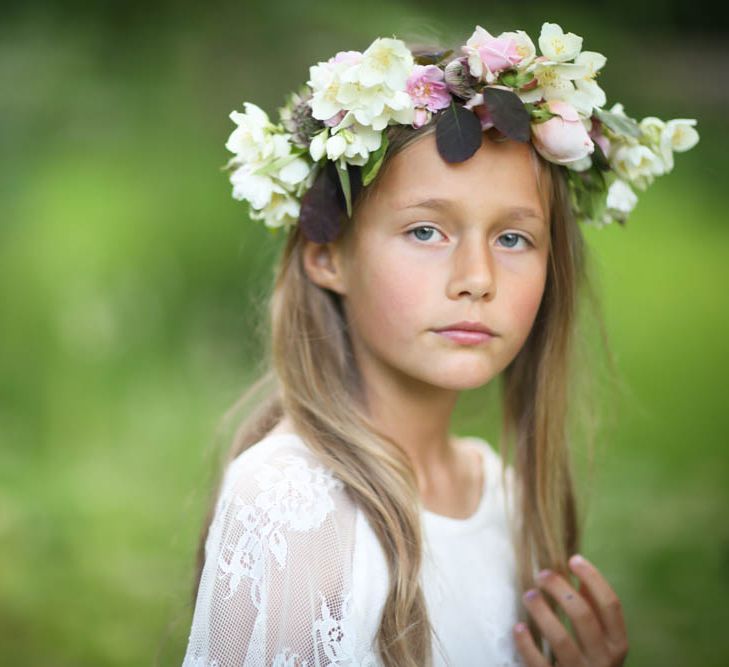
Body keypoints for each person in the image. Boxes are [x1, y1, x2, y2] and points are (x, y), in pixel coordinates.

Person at [181, 22, 698, 667]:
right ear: (326, 256)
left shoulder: (504, 497)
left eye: (513, 239)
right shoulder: (294, 504)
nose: (477, 279)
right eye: (427, 231)